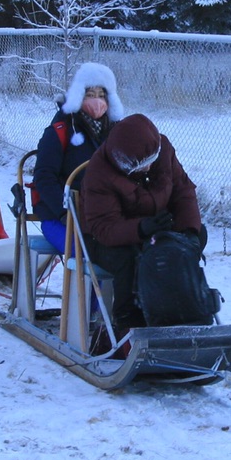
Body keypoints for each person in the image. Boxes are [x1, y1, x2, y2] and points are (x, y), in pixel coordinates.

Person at [78, 112, 202, 328]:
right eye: (140, 165)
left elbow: (183, 191)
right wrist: (140, 228)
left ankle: (186, 309)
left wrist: (190, 233)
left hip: (153, 229)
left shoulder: (163, 151)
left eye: (151, 161)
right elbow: (103, 227)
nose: (147, 168)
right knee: (130, 257)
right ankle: (128, 322)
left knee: (188, 244)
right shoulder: (99, 172)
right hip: (104, 240)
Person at [31, 61, 122, 253]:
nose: (97, 101)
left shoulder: (116, 133)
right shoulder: (60, 131)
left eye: (101, 95)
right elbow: (44, 178)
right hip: (60, 216)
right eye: (90, 95)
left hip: (102, 215)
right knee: (91, 252)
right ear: (78, 96)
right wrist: (65, 211)